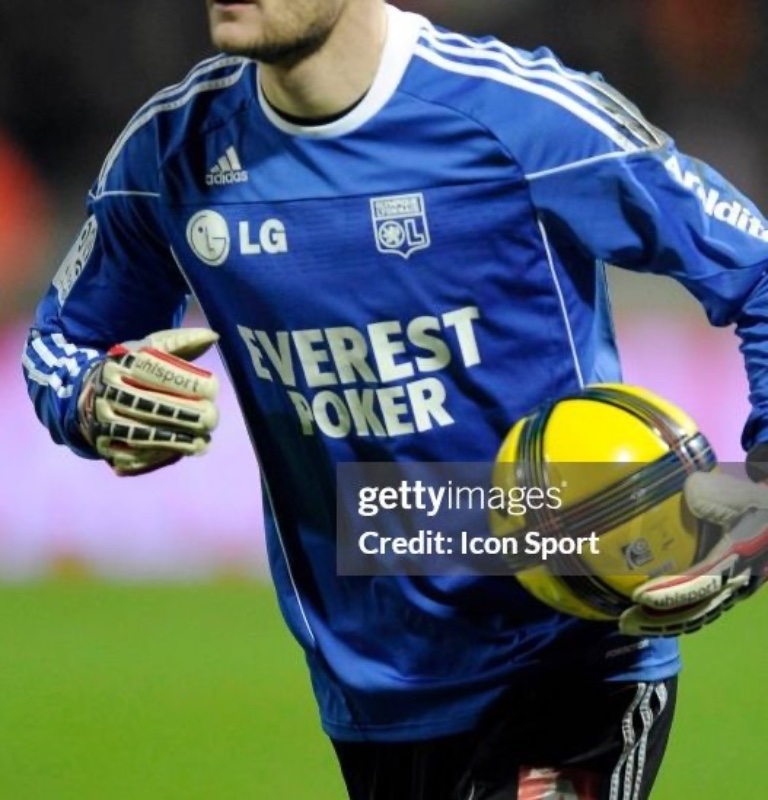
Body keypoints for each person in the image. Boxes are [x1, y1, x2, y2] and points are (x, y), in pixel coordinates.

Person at [23, 1, 768, 797]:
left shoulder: (520, 115)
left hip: (568, 656)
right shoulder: (171, 152)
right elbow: (61, 346)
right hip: (370, 683)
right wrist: (92, 399)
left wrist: (759, 489)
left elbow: (755, 267)